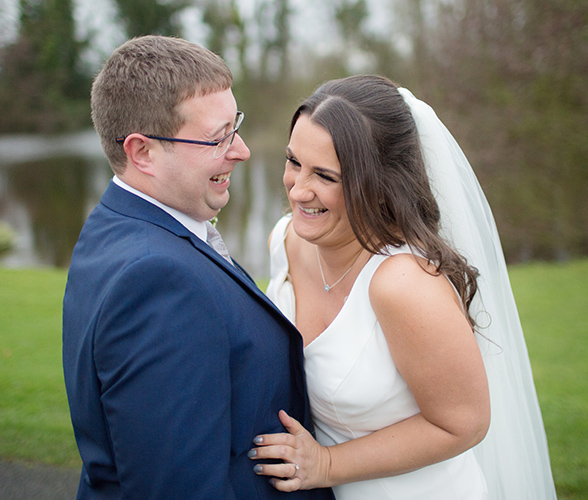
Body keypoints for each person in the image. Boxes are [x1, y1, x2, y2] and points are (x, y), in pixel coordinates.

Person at [252, 75, 557, 499]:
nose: (299, 189)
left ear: (377, 184)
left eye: (325, 175)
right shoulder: (286, 240)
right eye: (293, 162)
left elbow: (464, 423)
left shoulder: (403, 284)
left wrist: (326, 464)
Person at [62, 35, 335, 500]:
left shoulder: (116, 225)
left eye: (236, 126)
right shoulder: (158, 281)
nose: (242, 150)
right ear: (142, 152)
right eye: (217, 137)